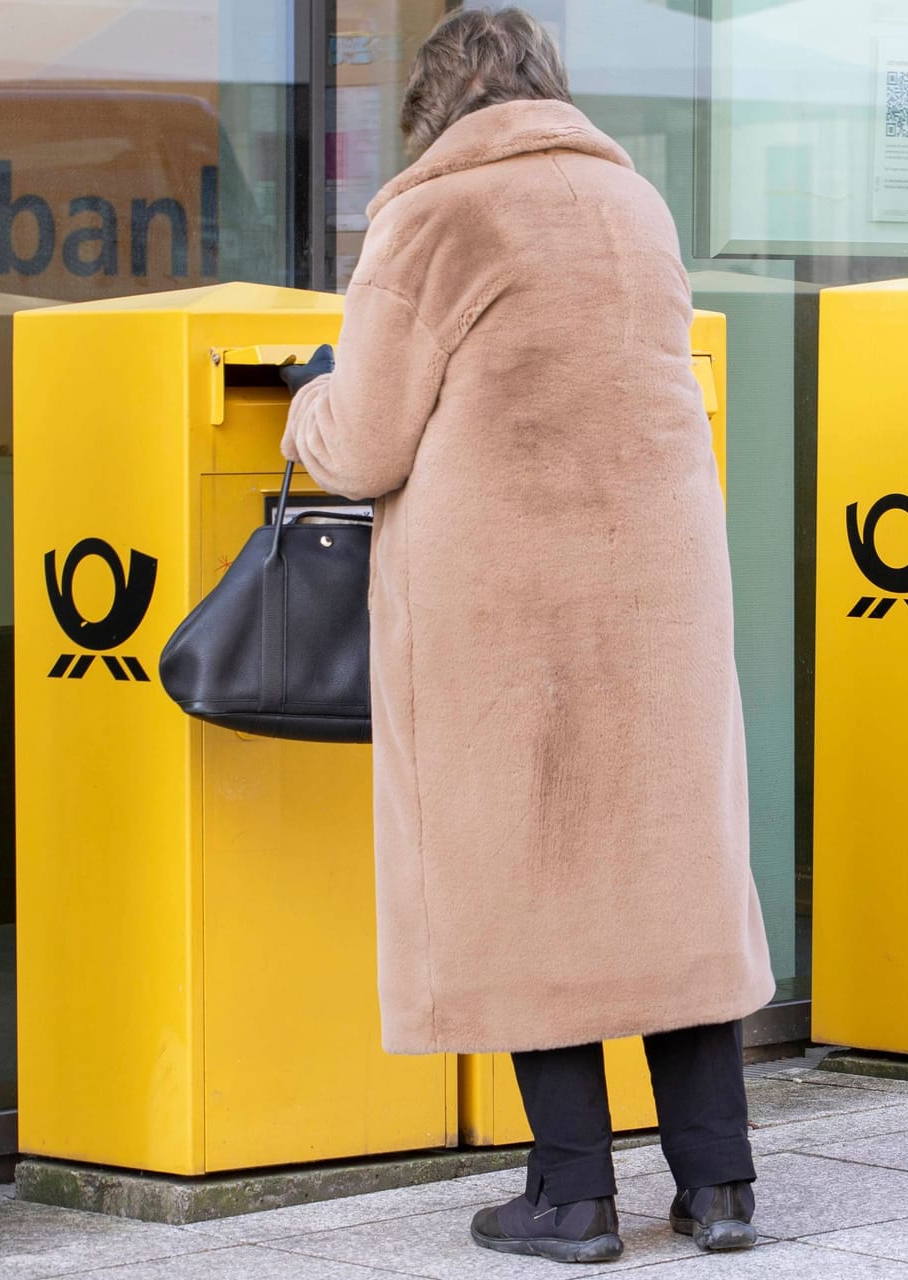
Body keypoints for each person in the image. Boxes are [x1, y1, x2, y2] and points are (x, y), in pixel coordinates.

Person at [280, 6, 775, 1266]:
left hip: (512, 605)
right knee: (668, 878)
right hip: (660, 585)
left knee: (531, 876)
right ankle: (719, 1186)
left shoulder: (434, 215)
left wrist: (304, 407)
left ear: (436, 106)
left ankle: (571, 1195)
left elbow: (369, 436)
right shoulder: (635, 205)